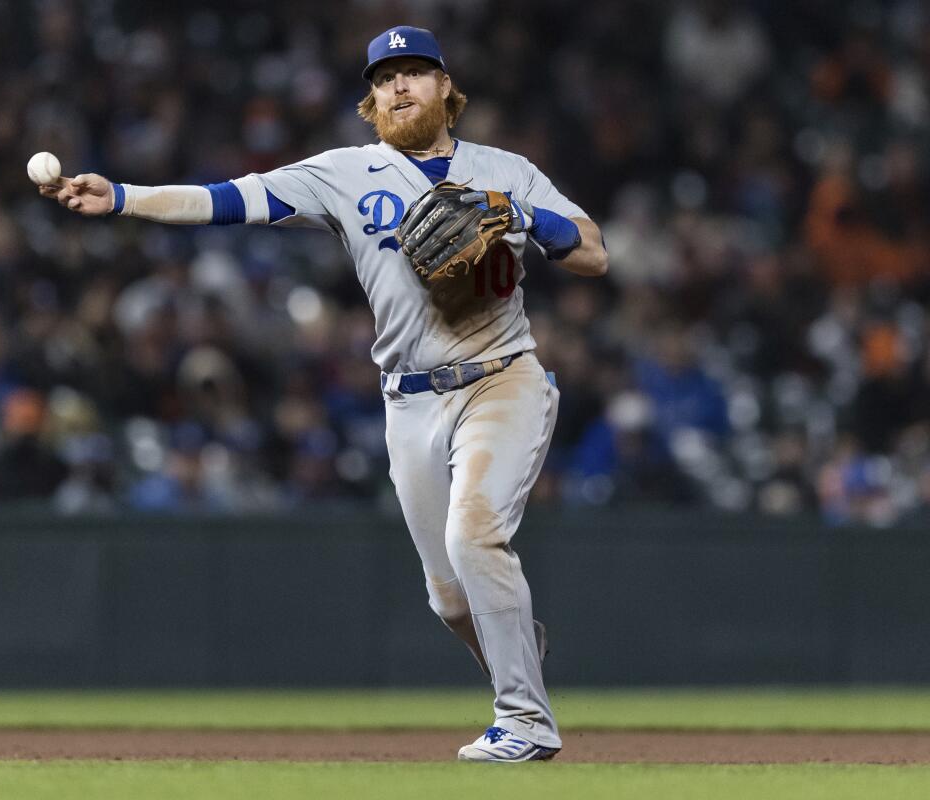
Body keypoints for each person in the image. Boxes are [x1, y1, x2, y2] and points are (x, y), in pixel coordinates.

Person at [40, 26, 607, 762]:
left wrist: (528, 215)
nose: (400, 86)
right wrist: (121, 196)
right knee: (449, 597)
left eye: (416, 72)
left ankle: (526, 722)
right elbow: (226, 200)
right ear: (370, 100)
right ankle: (514, 644)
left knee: (475, 536)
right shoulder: (345, 172)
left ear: (446, 90)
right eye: (385, 78)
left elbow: (593, 251)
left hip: (503, 378)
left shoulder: (504, 169)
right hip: (408, 402)